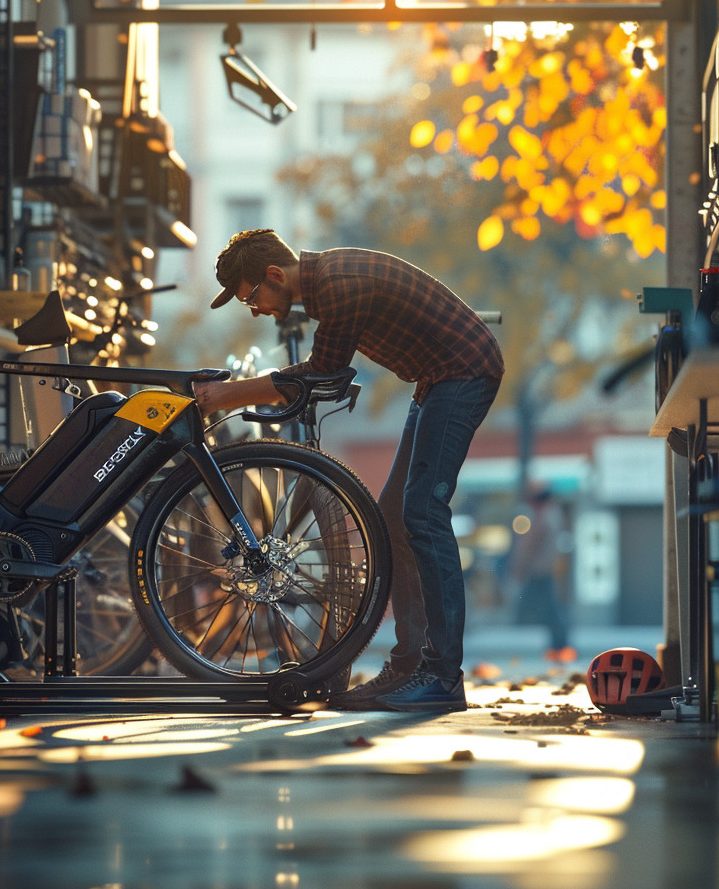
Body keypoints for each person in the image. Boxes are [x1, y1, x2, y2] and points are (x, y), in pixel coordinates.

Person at [196, 229, 504, 713]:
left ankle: (442, 676)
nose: (252, 310)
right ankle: (407, 668)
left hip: (462, 372)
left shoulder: (340, 285)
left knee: (423, 514)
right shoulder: (326, 285)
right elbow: (326, 369)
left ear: (276, 275)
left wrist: (227, 395)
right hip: (436, 378)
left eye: (251, 297)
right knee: (393, 519)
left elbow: (324, 373)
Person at [508, 486, 575, 664]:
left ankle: (560, 648)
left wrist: (520, 564)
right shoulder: (556, 514)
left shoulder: (543, 516)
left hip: (539, 571)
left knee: (547, 610)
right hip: (546, 570)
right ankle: (559, 647)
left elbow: (531, 543)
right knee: (551, 609)